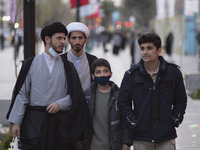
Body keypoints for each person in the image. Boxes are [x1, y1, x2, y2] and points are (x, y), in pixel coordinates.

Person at [6, 22, 89, 150]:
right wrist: (16, 123)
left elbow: (75, 95)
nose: (63, 42)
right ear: (47, 39)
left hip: (59, 125)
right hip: (34, 124)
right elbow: (22, 94)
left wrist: (60, 104)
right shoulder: (31, 63)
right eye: (59, 38)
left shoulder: (68, 67)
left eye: (63, 38)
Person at [118, 32, 187, 150]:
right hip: (141, 137)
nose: (145, 52)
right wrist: (133, 122)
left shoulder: (173, 73)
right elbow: (123, 102)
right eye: (142, 48)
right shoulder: (131, 75)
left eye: (149, 48)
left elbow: (181, 99)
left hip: (166, 136)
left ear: (158, 50)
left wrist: (175, 119)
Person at [84, 58, 132, 150]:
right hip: (93, 146)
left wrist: (126, 142)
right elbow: (83, 122)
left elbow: (125, 121)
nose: (102, 75)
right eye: (98, 72)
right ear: (93, 76)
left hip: (114, 146)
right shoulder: (87, 96)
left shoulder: (119, 95)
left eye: (105, 71)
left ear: (111, 74)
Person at [61, 22, 97, 92]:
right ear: (68, 40)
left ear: (85, 40)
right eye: (74, 38)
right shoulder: (61, 60)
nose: (77, 42)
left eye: (80, 38)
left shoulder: (93, 60)